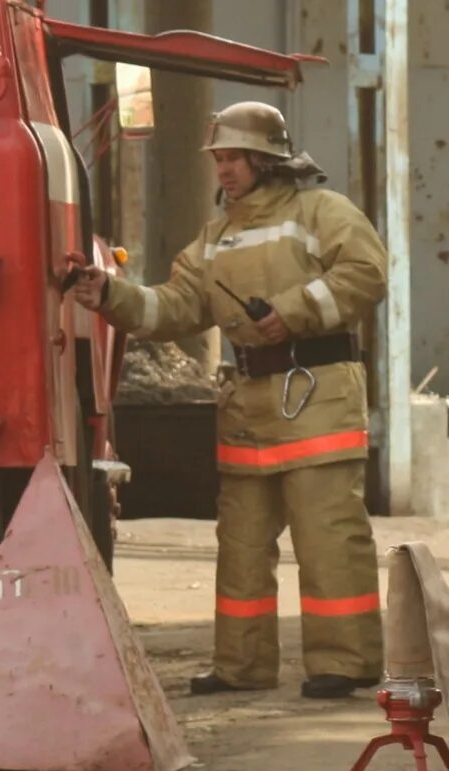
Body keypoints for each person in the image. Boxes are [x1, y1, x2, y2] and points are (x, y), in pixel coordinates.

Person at [73, 102, 389, 698]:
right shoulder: (215, 240)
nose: (224, 170)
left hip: (314, 399)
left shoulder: (322, 212)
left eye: (234, 158)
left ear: (268, 159)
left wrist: (290, 313)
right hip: (247, 408)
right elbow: (174, 306)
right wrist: (109, 294)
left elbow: (366, 273)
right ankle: (241, 666)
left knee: (329, 538)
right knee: (241, 545)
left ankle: (344, 663)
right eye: (218, 159)